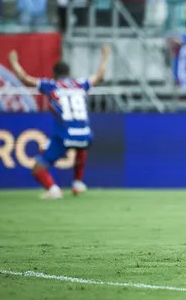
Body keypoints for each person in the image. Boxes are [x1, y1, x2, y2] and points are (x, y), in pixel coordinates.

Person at [8, 45, 110, 199]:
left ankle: (53, 189)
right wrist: (105, 55)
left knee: (38, 167)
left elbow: (24, 79)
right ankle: (77, 183)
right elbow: (100, 75)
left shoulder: (51, 85)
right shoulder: (80, 84)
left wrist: (14, 62)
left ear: (54, 74)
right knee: (80, 146)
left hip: (64, 137)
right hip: (87, 136)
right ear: (69, 74)